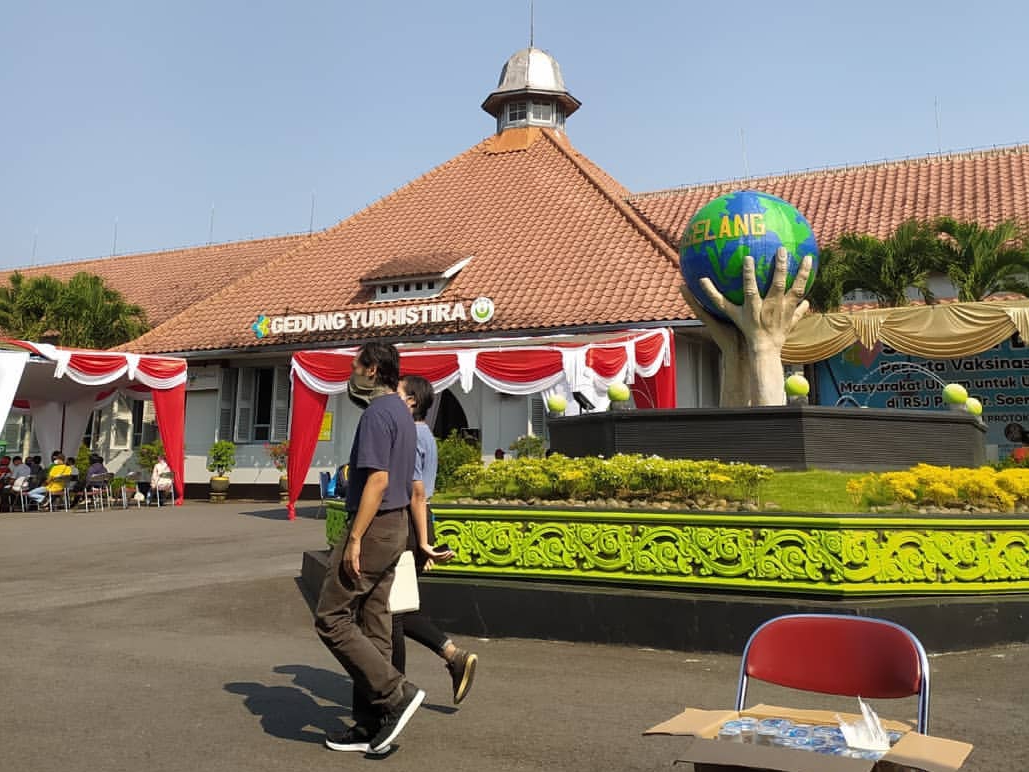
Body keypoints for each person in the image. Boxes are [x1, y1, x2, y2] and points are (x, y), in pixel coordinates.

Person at [315, 342, 424, 755]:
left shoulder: (378, 413)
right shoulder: (401, 411)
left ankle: (396, 694)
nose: (353, 372)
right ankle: (373, 722)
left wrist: (355, 537)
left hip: (375, 527)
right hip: (395, 527)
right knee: (374, 619)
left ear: (373, 370)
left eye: (357, 365)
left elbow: (376, 480)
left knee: (332, 617)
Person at [392, 374, 478, 704]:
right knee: (398, 609)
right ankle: (453, 656)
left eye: (397, 393)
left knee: (392, 615)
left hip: (408, 526)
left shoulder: (411, 434)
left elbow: (417, 492)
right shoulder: (425, 433)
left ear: (412, 401)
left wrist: (423, 542)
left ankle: (394, 691)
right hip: (418, 524)